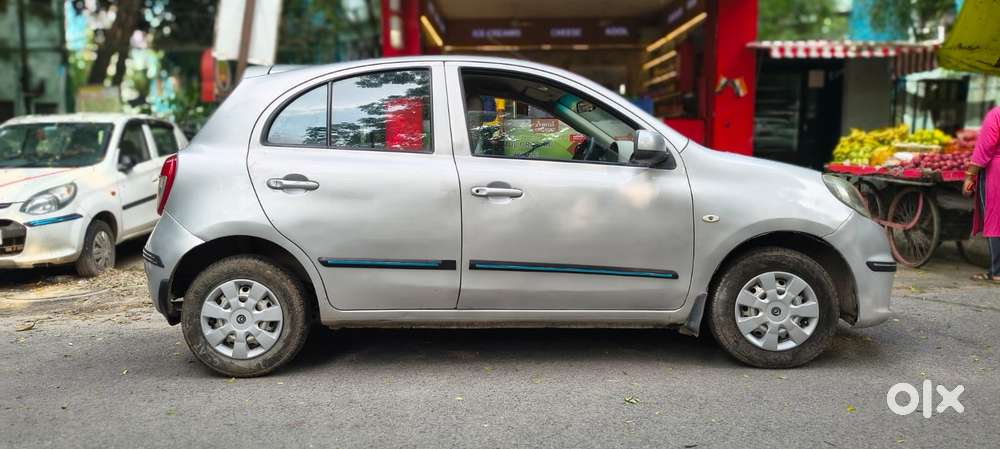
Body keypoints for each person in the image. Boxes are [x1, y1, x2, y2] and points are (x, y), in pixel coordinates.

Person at [964, 106, 1000, 282]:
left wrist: (970, 175)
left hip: (996, 173)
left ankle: (997, 272)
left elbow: (985, 148)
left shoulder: (996, 114)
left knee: (995, 219)